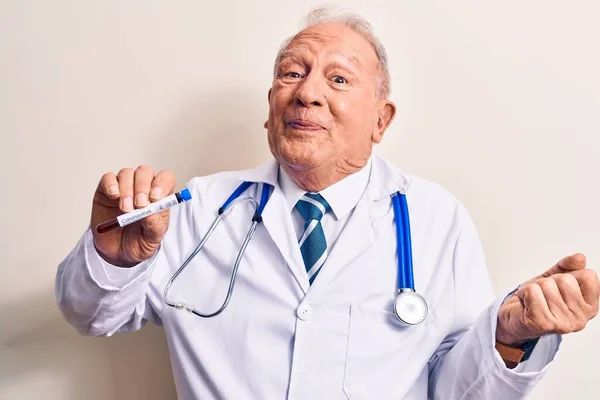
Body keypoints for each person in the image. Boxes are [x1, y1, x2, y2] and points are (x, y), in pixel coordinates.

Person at [55, 7, 599, 400]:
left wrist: (509, 335)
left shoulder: (437, 220)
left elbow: (457, 394)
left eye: (338, 78)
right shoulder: (196, 208)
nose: (307, 92)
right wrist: (116, 259)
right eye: (291, 72)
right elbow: (90, 317)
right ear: (270, 106)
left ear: (382, 120)